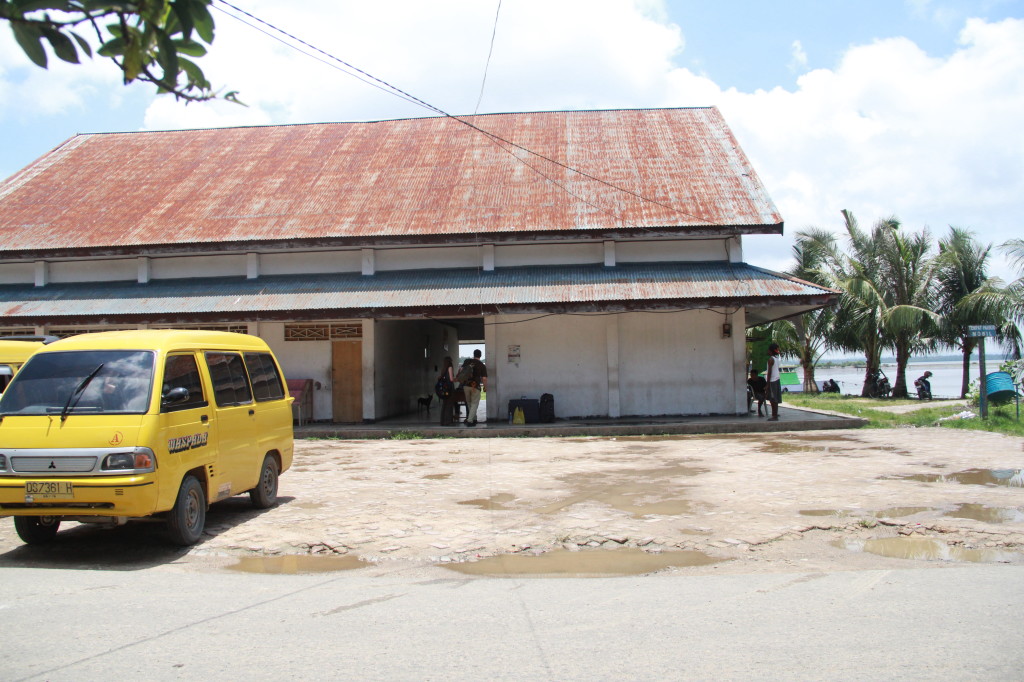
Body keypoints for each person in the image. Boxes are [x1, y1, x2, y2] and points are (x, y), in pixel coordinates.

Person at [459, 349, 488, 427]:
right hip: (475, 386)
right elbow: (484, 378)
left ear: (474, 354)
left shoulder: (467, 361)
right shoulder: (482, 365)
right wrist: (485, 387)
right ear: (480, 355)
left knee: (469, 403)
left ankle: (474, 419)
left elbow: (461, 370)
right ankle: (470, 420)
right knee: (474, 403)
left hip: (465, 385)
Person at [438, 356, 457, 426]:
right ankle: (448, 421)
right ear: (450, 361)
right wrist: (458, 379)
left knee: (445, 405)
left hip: (444, 389)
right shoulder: (450, 367)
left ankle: (443, 421)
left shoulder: (443, 369)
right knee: (449, 405)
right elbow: (451, 379)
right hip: (450, 388)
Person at [765, 343, 781, 421]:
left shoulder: (770, 359)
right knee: (775, 398)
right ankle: (775, 414)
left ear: (771, 351)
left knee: (773, 399)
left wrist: (767, 384)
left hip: (772, 381)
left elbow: (769, 373)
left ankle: (774, 415)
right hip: (777, 379)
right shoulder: (776, 358)